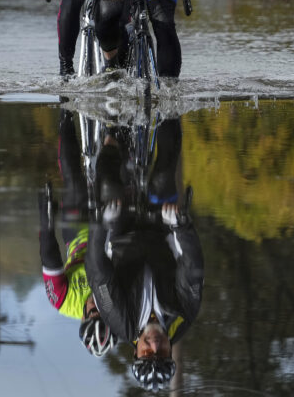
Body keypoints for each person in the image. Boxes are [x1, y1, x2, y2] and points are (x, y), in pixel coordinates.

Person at [84, 116, 204, 392]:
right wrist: (181, 226)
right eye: (161, 353)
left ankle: (112, 131)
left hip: (122, 234)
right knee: (163, 177)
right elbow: (193, 267)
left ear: (135, 352)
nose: (154, 345)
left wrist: (101, 225)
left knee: (109, 187)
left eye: (147, 353)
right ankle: (169, 101)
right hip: (162, 231)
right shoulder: (184, 315)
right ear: (170, 352)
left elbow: (98, 270)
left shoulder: (119, 320)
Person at [38, 108, 118, 357]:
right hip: (108, 236)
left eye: (91, 313)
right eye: (101, 313)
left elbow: (50, 258)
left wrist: (46, 220)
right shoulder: (117, 304)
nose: (96, 307)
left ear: (83, 317)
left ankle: (65, 113)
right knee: (116, 184)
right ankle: (116, 131)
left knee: (73, 180)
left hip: (79, 235)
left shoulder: (62, 302)